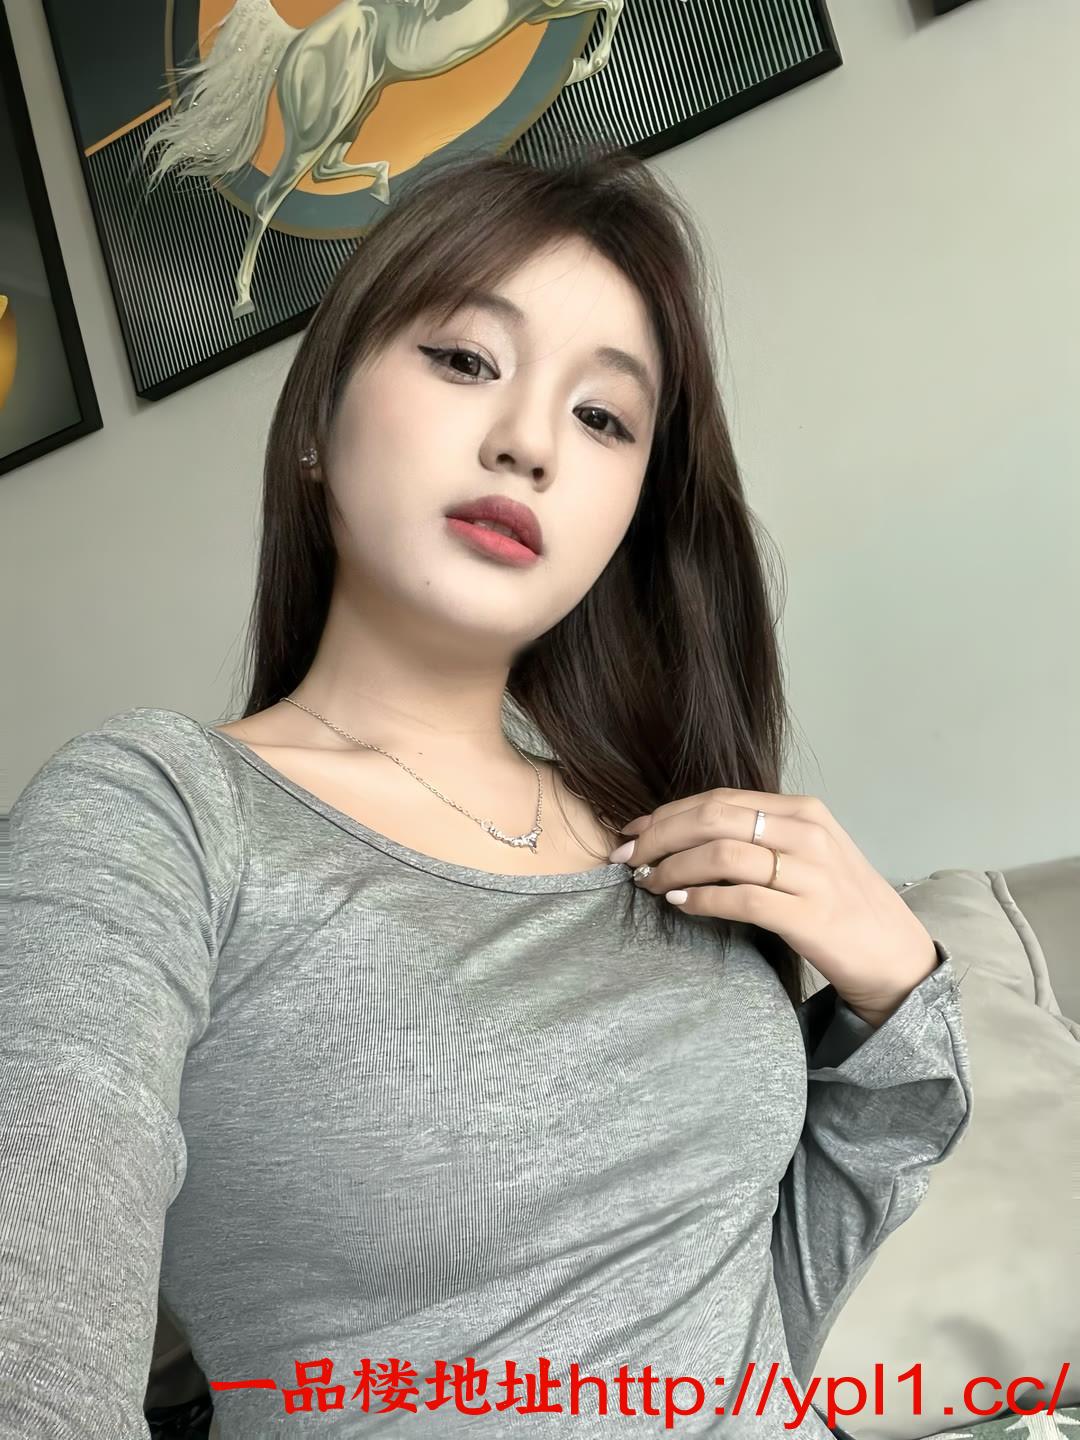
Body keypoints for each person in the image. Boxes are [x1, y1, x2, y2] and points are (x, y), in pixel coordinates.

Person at [2, 143, 972, 1439]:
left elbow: (747, 1326)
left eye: (603, 418)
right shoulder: (162, 816)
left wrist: (897, 1000)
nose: (528, 443)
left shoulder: (658, 832)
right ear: (316, 421)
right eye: (466, 360)